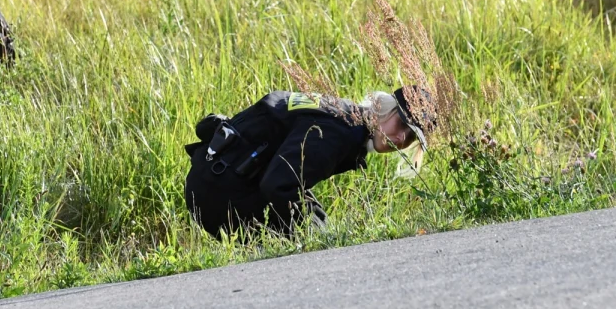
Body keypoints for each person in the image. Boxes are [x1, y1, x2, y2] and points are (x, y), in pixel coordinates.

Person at [184, 87, 436, 238]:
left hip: (215, 180)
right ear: (386, 109)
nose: (402, 137)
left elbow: (286, 178)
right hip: (219, 192)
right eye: (402, 123)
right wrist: (321, 234)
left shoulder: (345, 116)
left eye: (412, 135)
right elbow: (279, 185)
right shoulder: (341, 131)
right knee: (317, 247)